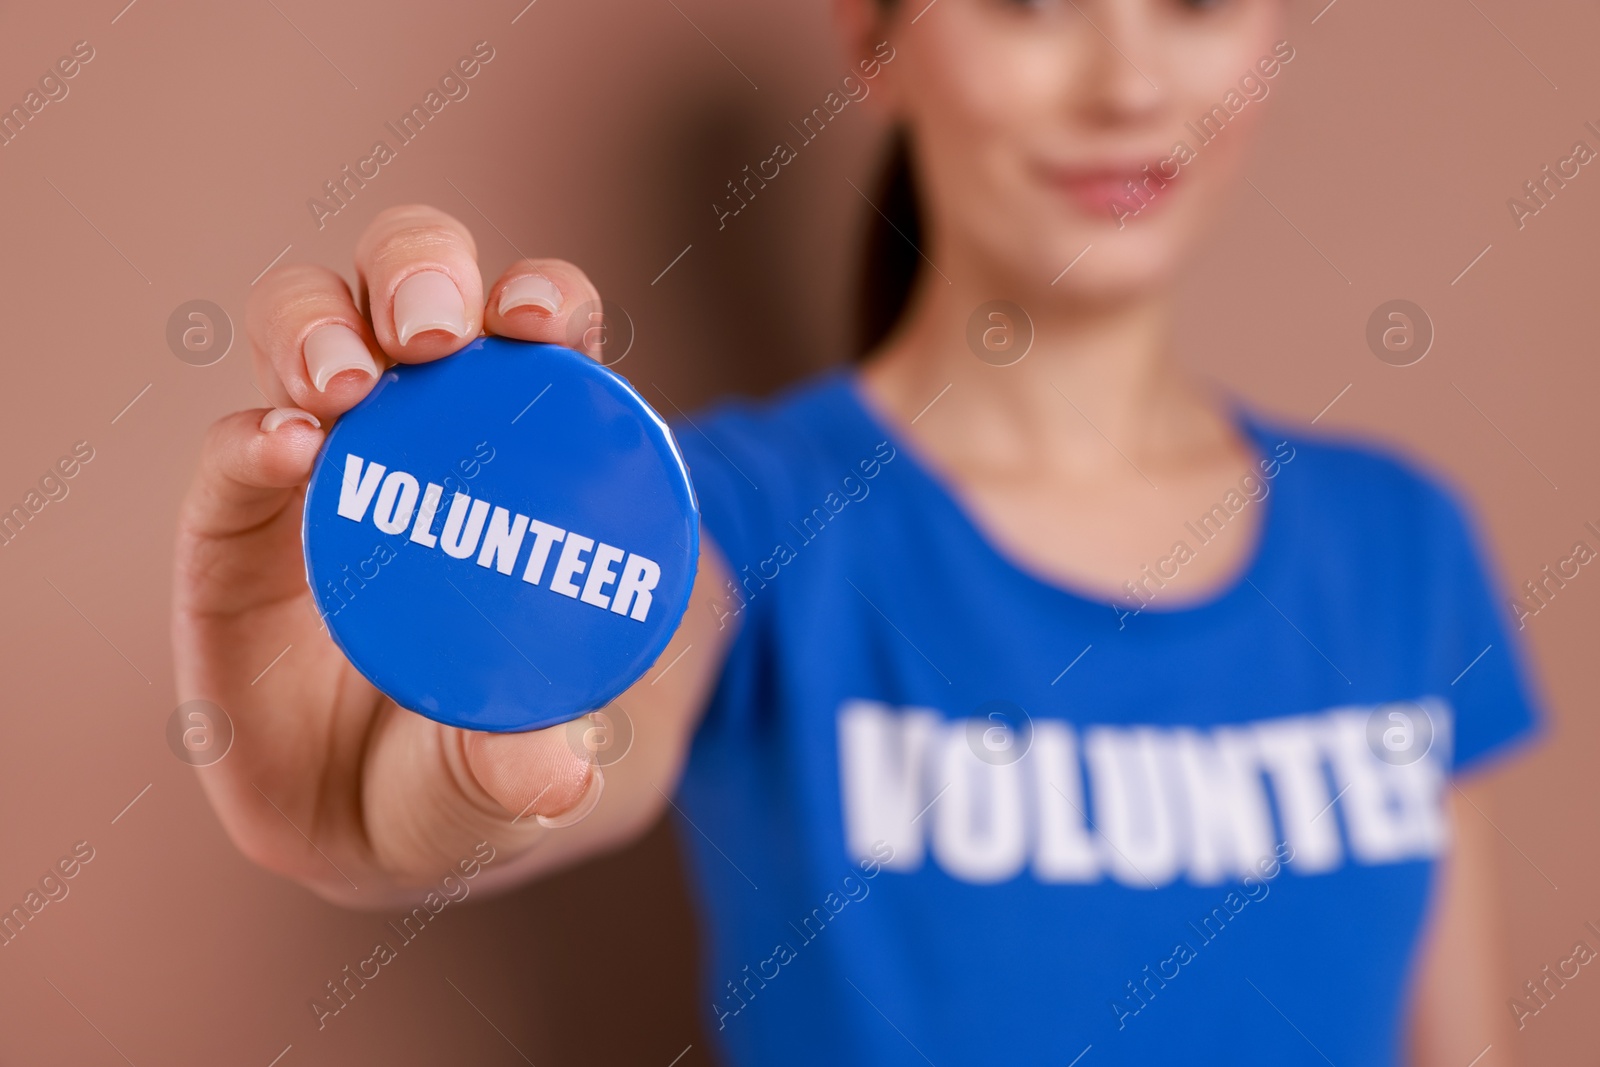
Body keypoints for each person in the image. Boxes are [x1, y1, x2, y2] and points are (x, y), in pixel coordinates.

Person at [172, 0, 1540, 1062]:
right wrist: (404, 802)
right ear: (874, 37)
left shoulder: (1402, 548)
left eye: (1193, 3)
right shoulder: (730, 516)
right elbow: (596, 710)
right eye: (1032, 3)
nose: (1132, 84)